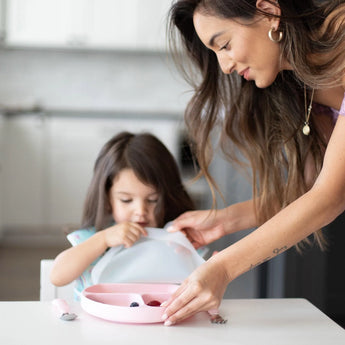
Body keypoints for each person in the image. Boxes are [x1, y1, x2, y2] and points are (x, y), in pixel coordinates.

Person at [161, 0, 345, 326]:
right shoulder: (305, 85)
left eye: (225, 45)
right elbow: (310, 190)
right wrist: (225, 220)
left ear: (270, 11)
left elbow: (330, 196)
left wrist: (223, 267)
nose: (225, 66)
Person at [50, 131, 195, 296]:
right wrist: (103, 240)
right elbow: (57, 277)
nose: (140, 211)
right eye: (126, 200)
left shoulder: (178, 238)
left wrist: (212, 266)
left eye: (153, 200)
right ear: (106, 198)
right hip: (97, 321)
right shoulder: (94, 238)